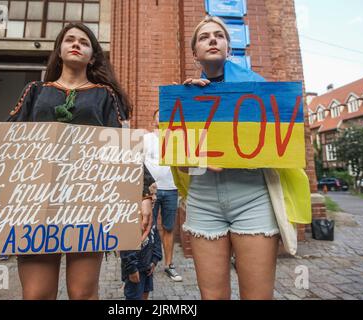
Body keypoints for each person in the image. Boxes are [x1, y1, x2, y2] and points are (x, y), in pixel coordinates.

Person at [0, 22, 155, 300]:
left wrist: (143, 193)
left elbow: (122, 147)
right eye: (69, 39)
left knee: (82, 294)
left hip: (87, 202)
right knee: (36, 295)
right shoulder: (35, 91)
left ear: (92, 56)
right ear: (59, 51)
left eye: (84, 42)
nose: (76, 44)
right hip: (35, 203)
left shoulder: (104, 95)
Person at [170, 16, 311, 300]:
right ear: (195, 52)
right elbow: (182, 164)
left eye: (219, 35)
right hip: (204, 200)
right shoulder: (185, 97)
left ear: (228, 47)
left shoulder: (257, 88)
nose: (212, 39)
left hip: (252, 197)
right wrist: (191, 107)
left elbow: (277, 146)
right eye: (204, 36)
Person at [144, 109, 182, 282]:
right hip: (152, 191)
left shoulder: (176, 139)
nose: (162, 116)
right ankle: (146, 264)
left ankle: (169, 264)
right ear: (153, 120)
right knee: (147, 227)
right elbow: (139, 163)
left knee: (168, 228)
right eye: (158, 114)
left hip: (171, 189)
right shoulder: (146, 139)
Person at [120, 218, 162, 300]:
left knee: (145, 293)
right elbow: (126, 246)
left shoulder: (151, 216)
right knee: (134, 296)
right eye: (151, 204)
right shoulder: (130, 219)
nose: (152, 205)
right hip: (135, 268)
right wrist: (131, 269)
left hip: (148, 267)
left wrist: (155, 260)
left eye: (153, 204)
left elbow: (156, 237)